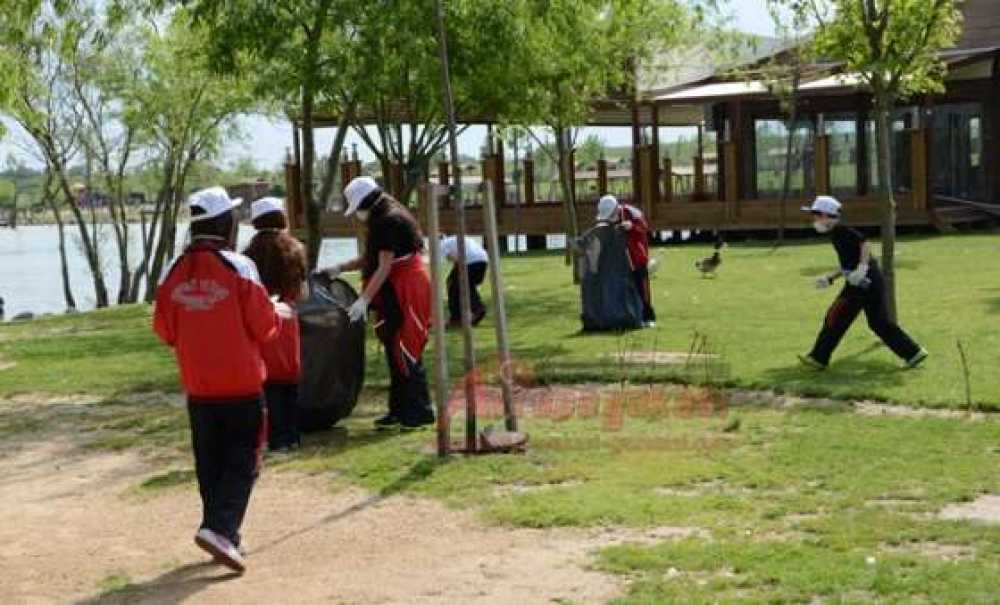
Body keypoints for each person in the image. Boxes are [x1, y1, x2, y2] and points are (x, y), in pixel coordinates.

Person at [153, 186, 290, 573]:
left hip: (198, 387)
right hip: (242, 384)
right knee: (244, 461)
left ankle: (224, 532)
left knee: (210, 464)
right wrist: (277, 312)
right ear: (225, 223)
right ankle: (220, 528)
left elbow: (164, 331)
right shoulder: (240, 267)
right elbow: (264, 328)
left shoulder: (171, 270)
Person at [322, 177, 434, 430]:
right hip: (396, 286)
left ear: (365, 203)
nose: (357, 215)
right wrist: (340, 268)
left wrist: (364, 300)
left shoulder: (388, 221)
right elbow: (373, 259)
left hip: (406, 286)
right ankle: (398, 410)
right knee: (393, 348)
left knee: (406, 348)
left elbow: (384, 267)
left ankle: (418, 411)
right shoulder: (385, 217)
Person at [798, 195, 928, 370]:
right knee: (879, 323)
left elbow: (865, 243)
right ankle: (913, 353)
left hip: (862, 283)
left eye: (816, 215)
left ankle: (818, 358)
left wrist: (862, 268)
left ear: (826, 215)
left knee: (835, 317)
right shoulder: (836, 234)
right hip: (871, 281)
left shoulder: (842, 230)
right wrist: (830, 278)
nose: (814, 220)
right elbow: (847, 265)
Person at [243, 197, 307, 453]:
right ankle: (290, 435)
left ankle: (267, 435)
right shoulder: (295, 250)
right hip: (287, 319)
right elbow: (303, 294)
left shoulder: (246, 255)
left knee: (265, 379)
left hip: (261, 319)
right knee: (288, 378)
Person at [596, 195, 656, 327]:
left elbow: (644, 228)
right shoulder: (606, 220)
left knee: (643, 289)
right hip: (619, 260)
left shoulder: (632, 213)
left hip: (637, 257)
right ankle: (627, 317)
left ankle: (648, 317)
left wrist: (632, 226)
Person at [440, 235, 488, 326]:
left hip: (469, 261)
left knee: (453, 285)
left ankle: (457, 317)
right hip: (483, 260)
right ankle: (476, 308)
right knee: (466, 284)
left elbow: (454, 259)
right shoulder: (457, 238)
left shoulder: (442, 245)